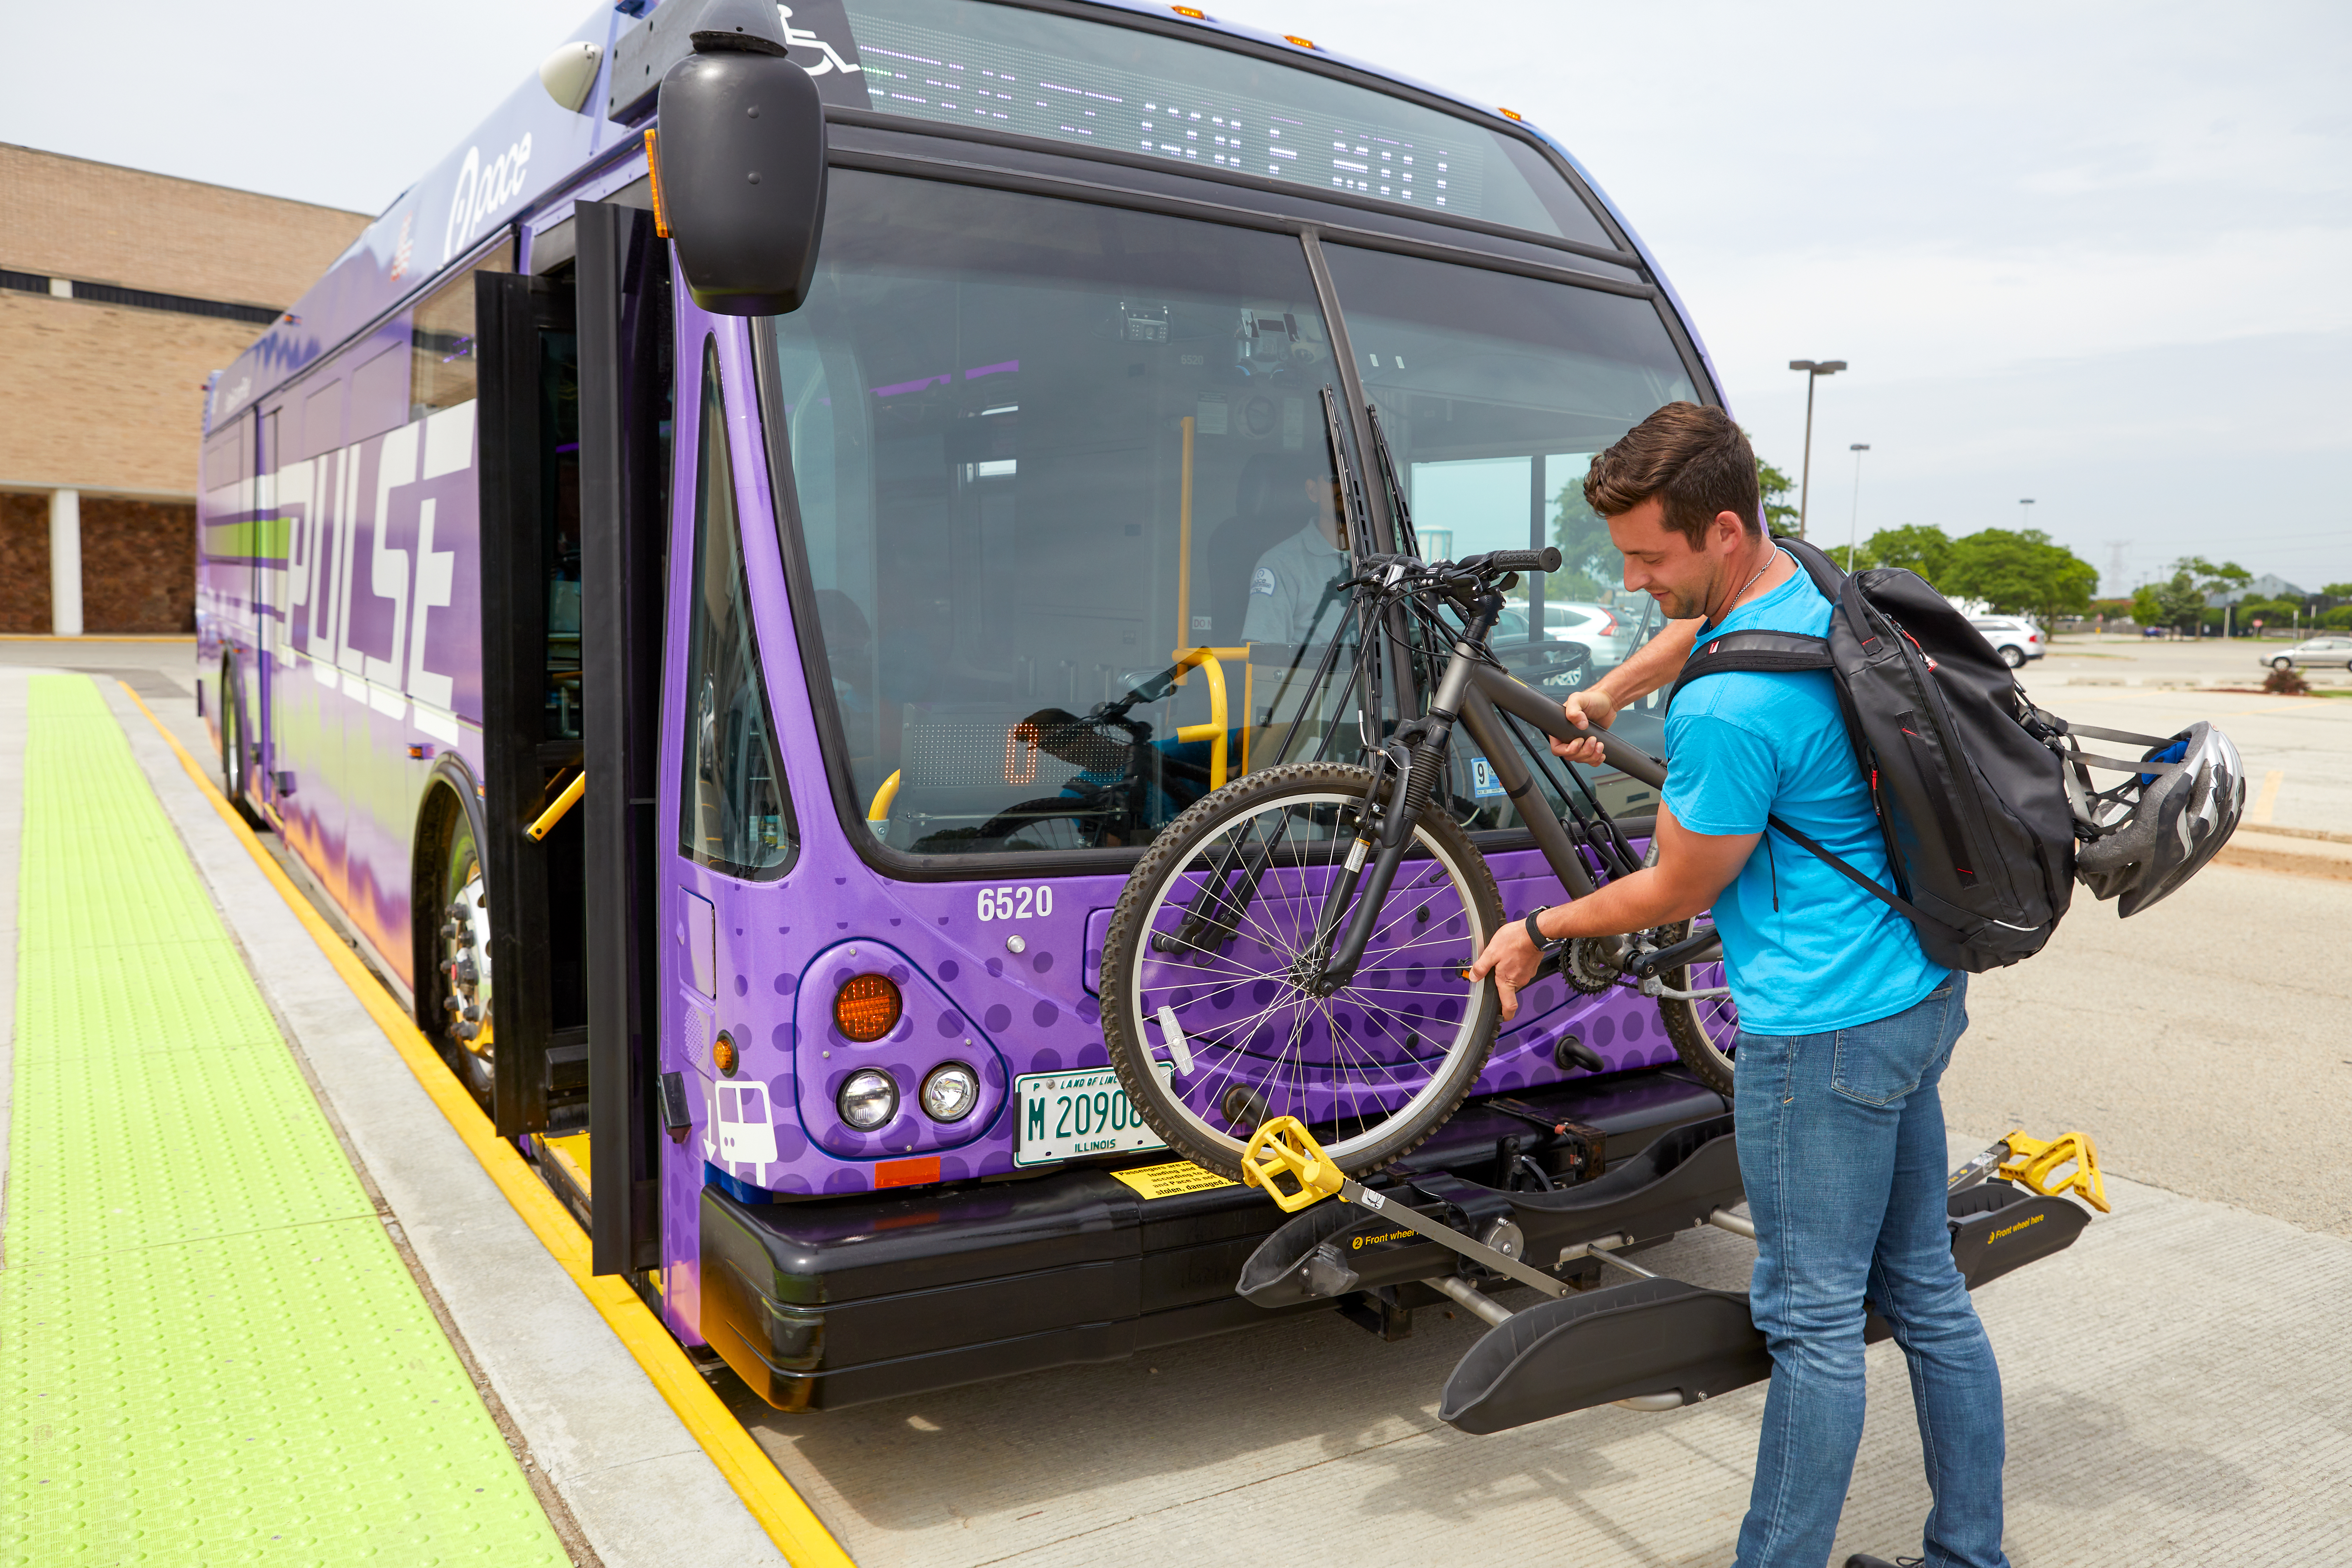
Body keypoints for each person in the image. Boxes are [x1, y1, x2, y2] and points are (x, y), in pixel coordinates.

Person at [1467, 402, 2007, 1568]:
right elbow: (1700, 637)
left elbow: (1673, 887)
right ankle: (1972, 1555)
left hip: (1820, 1036)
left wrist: (1538, 924)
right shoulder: (1808, 586)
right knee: (1923, 1288)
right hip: (1916, 988)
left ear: (1717, 530)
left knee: (1811, 1326)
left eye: (1649, 557)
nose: (1633, 580)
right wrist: (1611, 694)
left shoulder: (1729, 710)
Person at [1240, 472, 1353, 647]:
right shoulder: (1280, 564)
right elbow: (1267, 662)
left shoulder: (1393, 565)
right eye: (1334, 477)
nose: (1348, 485)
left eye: (1359, 477)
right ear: (1313, 490)